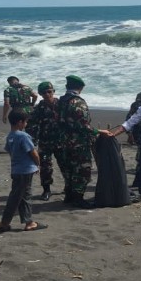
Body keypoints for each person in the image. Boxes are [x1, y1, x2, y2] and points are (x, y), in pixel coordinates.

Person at [54, 75, 99, 208]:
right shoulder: (78, 102)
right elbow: (83, 125)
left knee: (68, 169)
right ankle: (78, 198)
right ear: (81, 87)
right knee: (82, 170)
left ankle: (69, 195)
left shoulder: (60, 101)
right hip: (78, 142)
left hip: (63, 141)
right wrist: (98, 132)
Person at [0, 109, 43, 232]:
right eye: (25, 122)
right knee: (16, 197)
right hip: (25, 170)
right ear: (20, 122)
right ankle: (4, 222)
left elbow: (9, 150)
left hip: (17, 169)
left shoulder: (10, 136)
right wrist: (38, 164)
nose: (26, 124)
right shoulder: (23, 136)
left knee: (25, 195)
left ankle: (29, 221)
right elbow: (33, 152)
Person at [25, 80, 58, 201]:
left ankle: (68, 187)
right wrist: (32, 144)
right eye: (44, 93)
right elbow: (31, 126)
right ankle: (46, 190)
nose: (48, 94)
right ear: (41, 94)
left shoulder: (61, 105)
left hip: (62, 141)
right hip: (45, 141)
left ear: (53, 91)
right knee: (45, 167)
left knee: (67, 165)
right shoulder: (39, 108)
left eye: (50, 91)